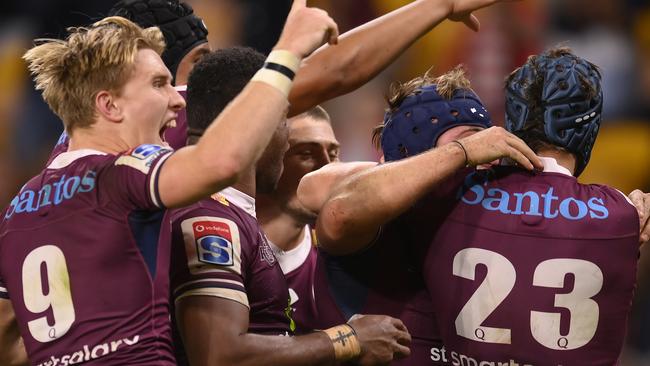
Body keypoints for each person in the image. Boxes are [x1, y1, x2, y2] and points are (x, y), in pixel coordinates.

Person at [0, 1, 339, 363]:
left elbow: (8, 345)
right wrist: (287, 53)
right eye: (159, 84)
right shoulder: (124, 172)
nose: (177, 102)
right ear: (110, 106)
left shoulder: (19, 206)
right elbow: (222, 160)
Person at [313, 47, 645, 365]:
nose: (483, 162)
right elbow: (322, 194)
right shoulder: (396, 214)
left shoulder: (461, 205)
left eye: (484, 143)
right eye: (469, 147)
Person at [169, 46, 411, 366]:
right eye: (284, 118)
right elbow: (219, 355)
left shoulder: (229, 213)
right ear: (258, 123)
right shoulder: (211, 220)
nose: (286, 139)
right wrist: (347, 340)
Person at [49, 0, 526, 153]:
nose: (209, 79)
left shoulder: (70, 153)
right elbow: (336, 71)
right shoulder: (155, 129)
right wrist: (436, 4)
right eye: (198, 64)